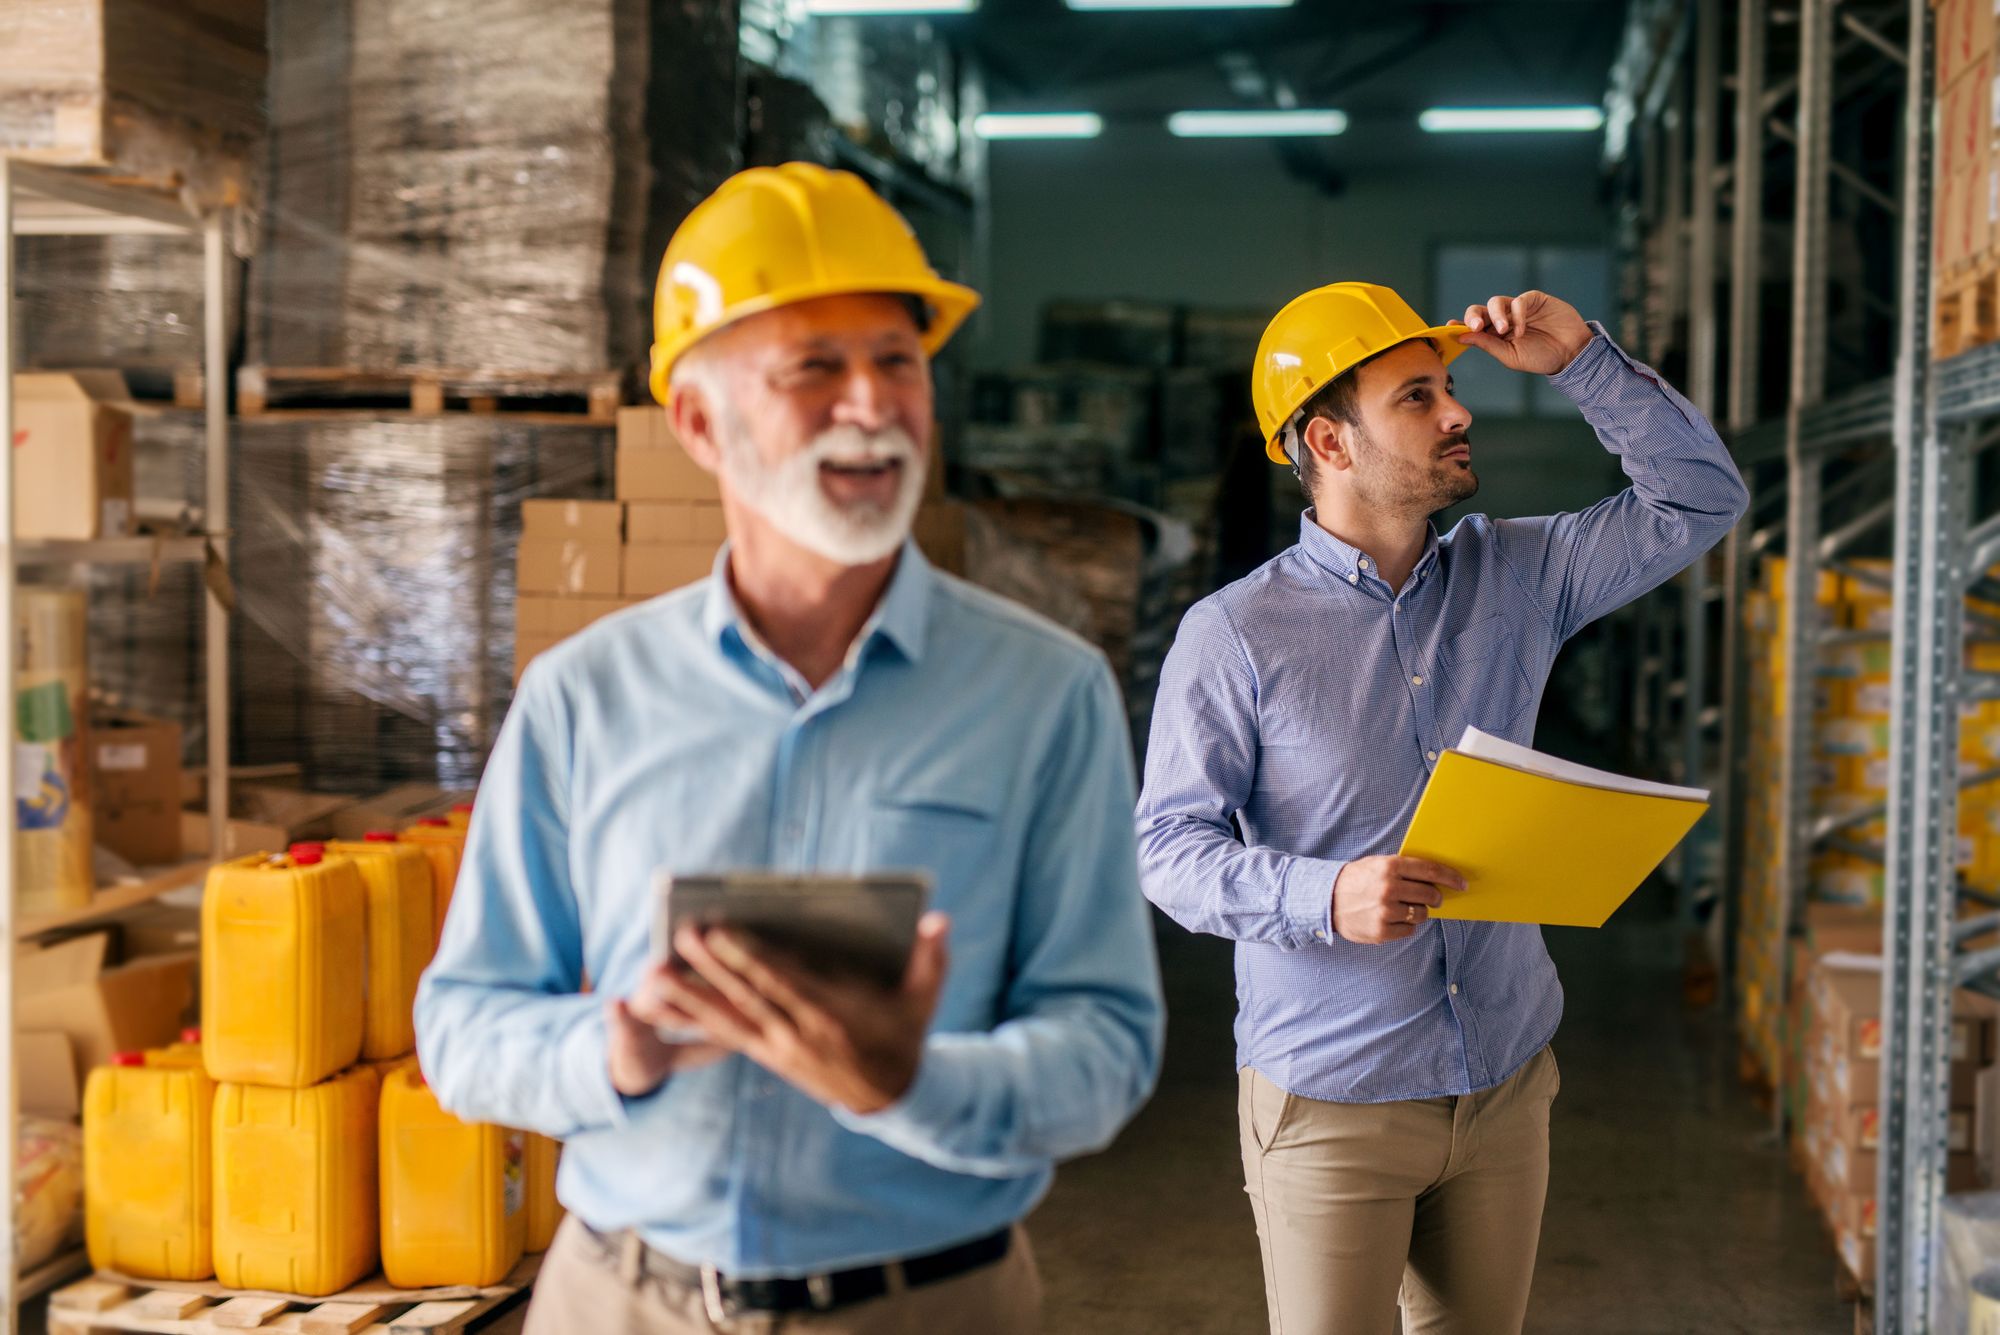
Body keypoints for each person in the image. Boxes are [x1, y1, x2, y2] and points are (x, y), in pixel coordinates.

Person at [415, 163, 1165, 1335]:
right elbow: (464, 1029)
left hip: (928, 1307)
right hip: (622, 1302)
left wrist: (912, 1086)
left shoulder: (1043, 696)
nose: (870, 402)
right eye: (815, 367)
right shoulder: (583, 699)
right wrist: (614, 1045)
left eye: (898, 362)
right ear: (700, 425)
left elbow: (1107, 1048)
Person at [1135, 282, 1748, 1335]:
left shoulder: (1518, 574)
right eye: (1416, 397)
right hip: (1332, 1095)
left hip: (1503, 1081)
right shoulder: (1233, 634)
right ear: (1327, 441)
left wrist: (1581, 361)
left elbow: (1698, 501)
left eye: (1447, 389)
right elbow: (1167, 850)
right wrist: (1326, 893)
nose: (1456, 412)